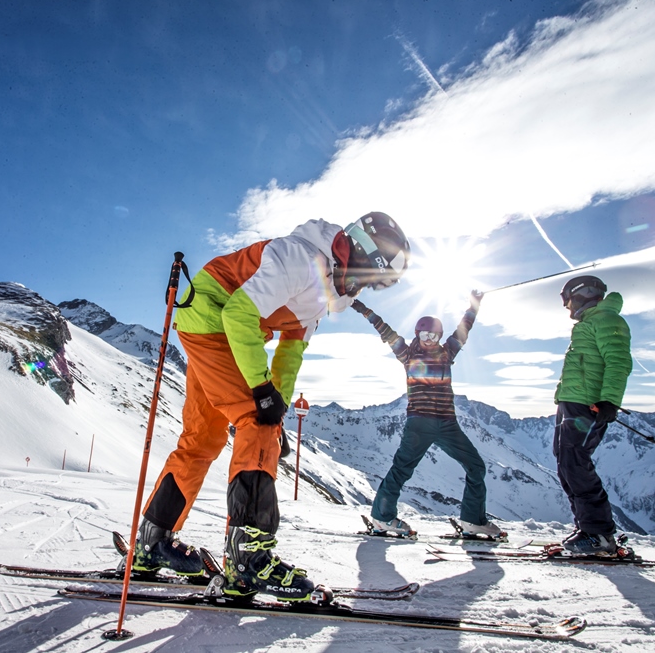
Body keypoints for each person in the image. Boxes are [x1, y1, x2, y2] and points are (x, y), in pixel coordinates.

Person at [132, 212, 410, 601]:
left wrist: (275, 408)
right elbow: (238, 313)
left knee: (206, 437)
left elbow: (290, 353)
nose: (369, 290)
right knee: (254, 423)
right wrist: (262, 398)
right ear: (366, 259)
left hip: (210, 325)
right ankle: (248, 561)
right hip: (215, 321)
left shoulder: (324, 292)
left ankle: (153, 540)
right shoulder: (298, 258)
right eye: (376, 281)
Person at [354, 290, 500, 539]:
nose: (428, 339)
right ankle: (382, 517)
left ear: (440, 337)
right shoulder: (407, 353)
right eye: (424, 334)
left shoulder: (447, 352)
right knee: (402, 469)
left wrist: (473, 305)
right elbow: (384, 329)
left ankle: (473, 521)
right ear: (417, 334)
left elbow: (464, 327)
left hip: (447, 424)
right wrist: (364, 309)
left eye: (433, 335)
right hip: (419, 422)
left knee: (476, 467)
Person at [554, 275, 632, 556]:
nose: (568, 308)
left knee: (576, 462)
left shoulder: (607, 320)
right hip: (572, 403)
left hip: (588, 405)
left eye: (568, 301)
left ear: (582, 294)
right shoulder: (589, 323)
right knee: (566, 463)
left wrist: (610, 400)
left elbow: (618, 361)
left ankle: (599, 534)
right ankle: (587, 529)